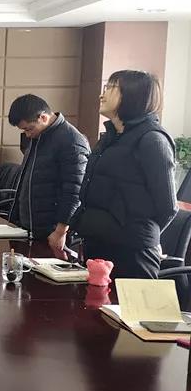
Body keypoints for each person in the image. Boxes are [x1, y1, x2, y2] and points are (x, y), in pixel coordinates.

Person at [72, 70, 177, 278]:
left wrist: (144, 235)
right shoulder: (111, 137)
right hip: (98, 245)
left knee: (128, 301)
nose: (102, 95)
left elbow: (167, 206)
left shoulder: (152, 140)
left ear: (133, 95)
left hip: (132, 252)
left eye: (110, 88)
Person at [7, 94, 90, 253]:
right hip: (30, 228)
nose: (27, 134)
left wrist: (60, 231)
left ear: (43, 117)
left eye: (29, 129)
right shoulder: (38, 136)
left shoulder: (72, 141)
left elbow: (74, 191)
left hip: (52, 232)